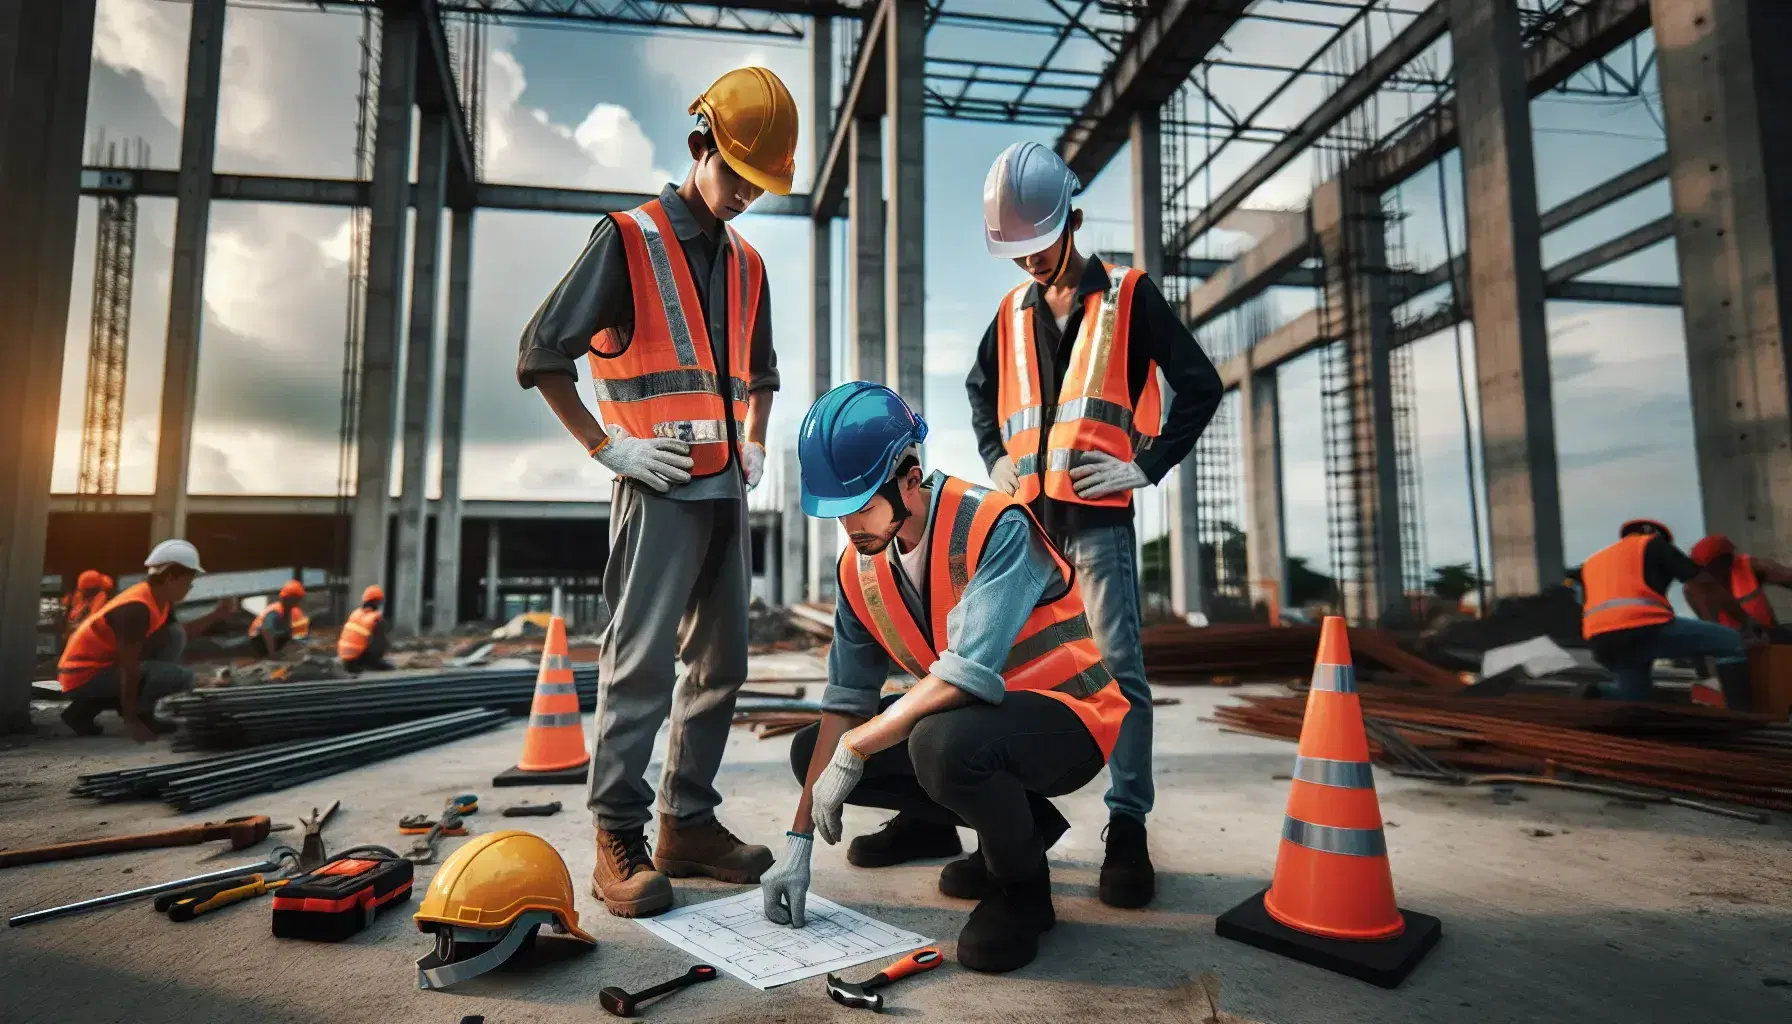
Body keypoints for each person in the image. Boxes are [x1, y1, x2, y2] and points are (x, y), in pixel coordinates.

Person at [515, 67, 799, 918]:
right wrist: (611, 449)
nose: (747, 195)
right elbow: (541, 355)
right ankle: (617, 836)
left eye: (761, 185)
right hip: (658, 489)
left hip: (722, 492)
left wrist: (753, 440)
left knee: (724, 663)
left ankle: (687, 822)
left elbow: (764, 373)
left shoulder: (747, 263)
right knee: (639, 665)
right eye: (738, 175)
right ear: (697, 146)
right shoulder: (628, 239)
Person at [760, 382, 1132, 974]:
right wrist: (798, 842)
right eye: (837, 512)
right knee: (814, 750)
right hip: (976, 723)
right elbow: (846, 702)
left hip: (1068, 720)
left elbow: (964, 676)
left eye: (860, 506)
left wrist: (859, 744)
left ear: (909, 478)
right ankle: (947, 828)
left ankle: (1022, 888)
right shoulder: (859, 568)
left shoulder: (993, 524)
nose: (850, 527)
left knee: (937, 745)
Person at [954, 140, 1222, 909]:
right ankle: (1013, 828)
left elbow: (1200, 385)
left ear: (1070, 221)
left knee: (1117, 674)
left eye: (1038, 247)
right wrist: (996, 455)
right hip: (1024, 525)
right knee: (997, 672)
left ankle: (1127, 827)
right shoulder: (1011, 313)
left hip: (1098, 520)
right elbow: (980, 392)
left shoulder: (1131, 296)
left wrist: (1149, 464)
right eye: (1017, 253)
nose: (1029, 264)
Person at [57, 540, 237, 741]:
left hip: (95, 672)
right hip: (83, 678)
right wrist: (132, 720)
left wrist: (215, 615)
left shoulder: (159, 601)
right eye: (188, 582)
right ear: (171, 578)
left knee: (174, 636)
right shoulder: (136, 607)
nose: (189, 588)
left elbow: (182, 635)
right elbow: (129, 667)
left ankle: (81, 713)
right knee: (179, 677)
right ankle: (144, 714)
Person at [1577, 519, 1760, 704]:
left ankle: (1596, 694)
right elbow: (1704, 583)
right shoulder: (1653, 544)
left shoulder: (1594, 561)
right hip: (1643, 627)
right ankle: (1741, 714)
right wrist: (1745, 620)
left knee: (1635, 696)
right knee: (1731, 643)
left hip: (1600, 638)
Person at [1688, 534, 1792, 642]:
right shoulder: (1693, 591)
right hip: (1731, 645)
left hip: (1767, 636)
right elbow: (1710, 626)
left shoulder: (1752, 566)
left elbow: (1787, 576)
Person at [249, 579, 311, 658]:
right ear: (286, 598)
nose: (298, 601)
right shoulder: (274, 612)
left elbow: (300, 629)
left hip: (276, 639)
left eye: (299, 599)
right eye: (295, 599)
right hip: (258, 642)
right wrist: (272, 654)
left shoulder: (293, 611)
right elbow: (267, 632)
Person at [339, 584, 394, 673]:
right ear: (376, 602)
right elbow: (379, 643)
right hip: (360, 660)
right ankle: (372, 664)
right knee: (380, 636)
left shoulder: (354, 614)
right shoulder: (375, 618)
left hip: (346, 660)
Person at [62, 569, 110, 645]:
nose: (81, 592)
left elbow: (93, 620)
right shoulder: (80, 596)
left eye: (84, 590)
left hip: (84, 636)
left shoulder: (100, 597)